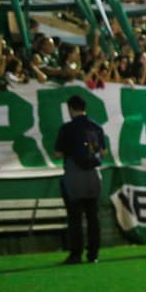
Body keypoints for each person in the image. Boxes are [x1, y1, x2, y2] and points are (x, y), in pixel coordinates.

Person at [51, 95, 107, 265]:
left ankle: (76, 254)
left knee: (75, 217)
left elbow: (58, 153)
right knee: (93, 216)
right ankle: (94, 254)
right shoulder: (96, 127)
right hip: (94, 174)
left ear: (70, 109)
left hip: (74, 175)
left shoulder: (67, 129)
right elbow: (103, 152)